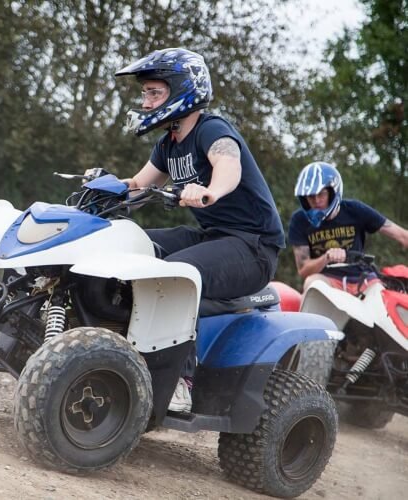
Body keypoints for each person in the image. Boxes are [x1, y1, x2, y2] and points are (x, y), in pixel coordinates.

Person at [115, 48, 285, 412]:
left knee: (172, 274)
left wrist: (209, 190)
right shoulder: (167, 144)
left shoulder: (213, 130)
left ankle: (182, 379)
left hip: (253, 248)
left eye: (154, 93)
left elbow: (228, 164)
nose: (146, 102)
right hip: (215, 237)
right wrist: (101, 189)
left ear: (182, 92)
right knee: (127, 244)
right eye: (145, 93)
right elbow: (137, 186)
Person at [288, 161, 408, 293]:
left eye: (321, 194)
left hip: (362, 278)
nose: (316, 200)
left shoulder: (355, 210)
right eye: (311, 196)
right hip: (328, 279)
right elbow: (303, 270)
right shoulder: (299, 220)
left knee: (382, 298)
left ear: (332, 192)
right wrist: (326, 258)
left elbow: (402, 235)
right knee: (312, 284)